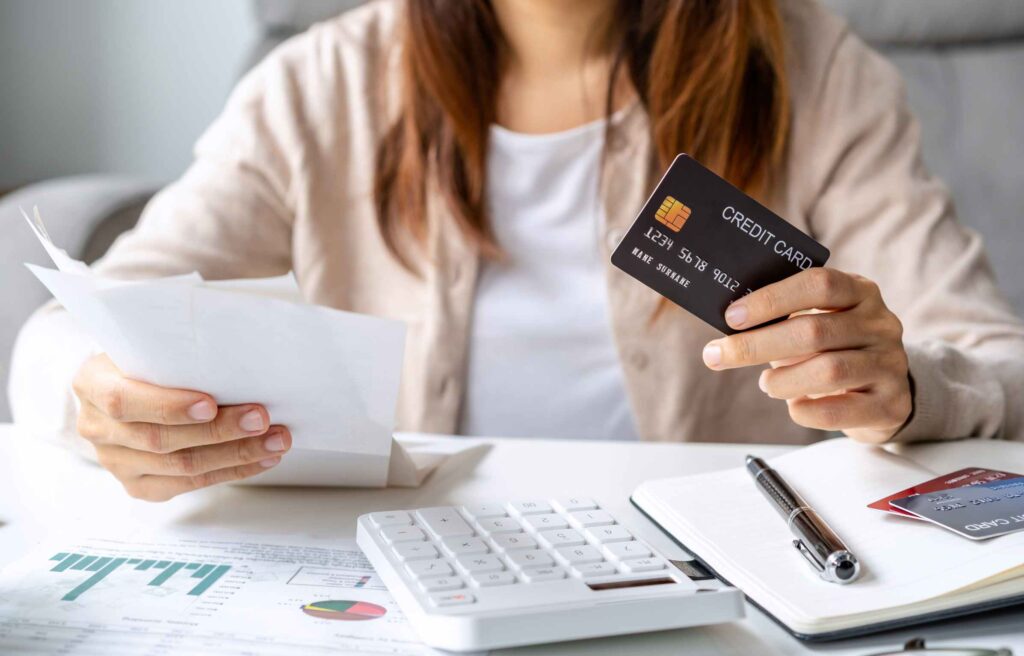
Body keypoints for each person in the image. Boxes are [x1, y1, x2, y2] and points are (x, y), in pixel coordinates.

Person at [10, 0, 1024, 502]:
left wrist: (899, 385)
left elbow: (997, 365)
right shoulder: (317, 85)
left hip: (733, 563)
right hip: (413, 564)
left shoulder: (812, 70)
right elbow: (71, 329)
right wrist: (96, 395)